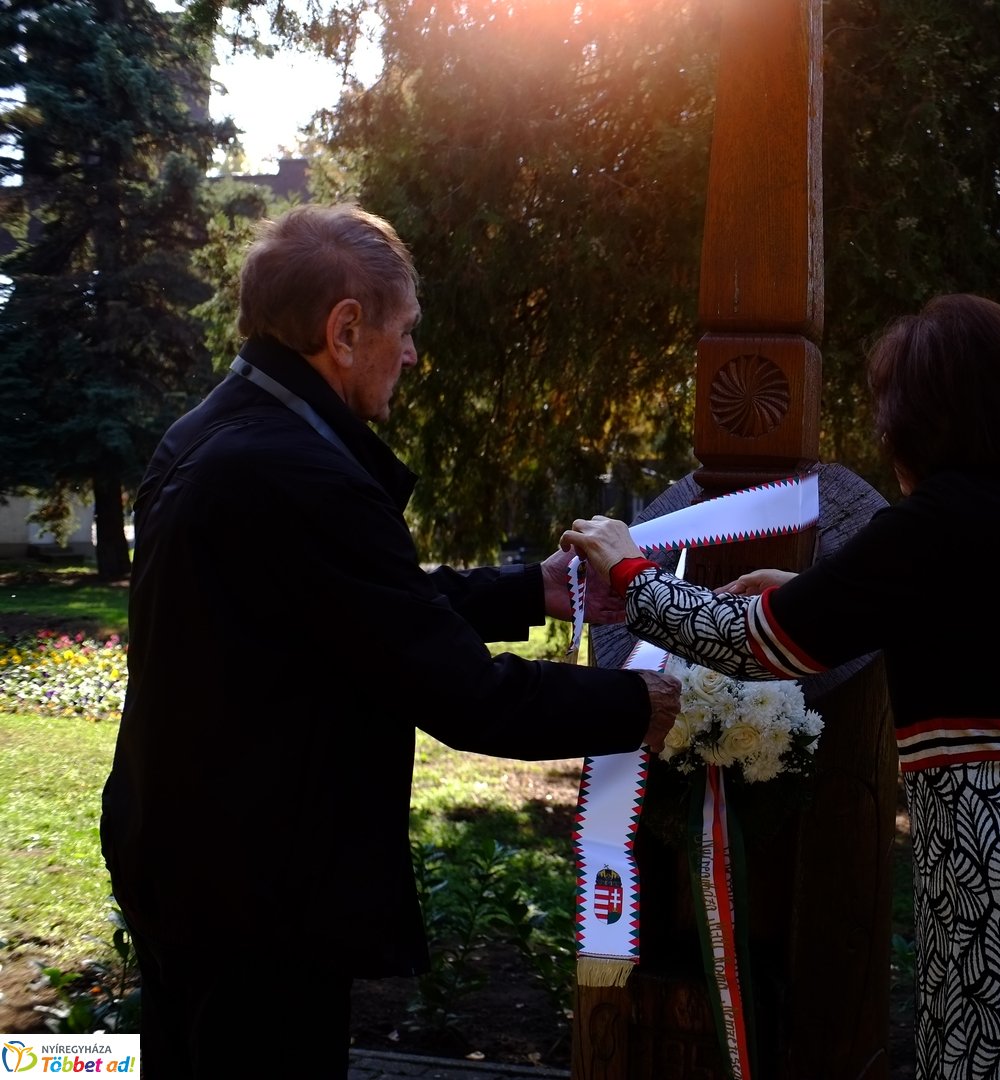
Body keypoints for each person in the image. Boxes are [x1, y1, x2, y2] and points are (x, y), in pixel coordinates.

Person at [100, 202, 679, 1079]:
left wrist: (534, 588)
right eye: (404, 332)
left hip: (183, 853)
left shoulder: (215, 431)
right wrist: (649, 703)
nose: (411, 354)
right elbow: (465, 694)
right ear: (344, 329)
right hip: (259, 890)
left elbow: (352, 605)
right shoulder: (298, 470)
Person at [562, 293, 1000, 1079]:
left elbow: (753, 644)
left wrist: (629, 569)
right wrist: (808, 589)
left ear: (924, 420)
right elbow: (981, 621)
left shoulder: (935, 526)